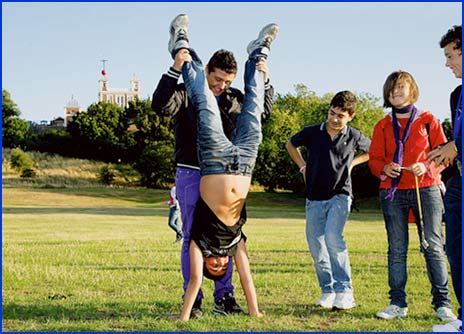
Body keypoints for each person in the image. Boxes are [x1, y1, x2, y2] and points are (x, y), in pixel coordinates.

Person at [151, 15, 275, 318]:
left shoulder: (234, 98)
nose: (221, 86)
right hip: (192, 171)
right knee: (193, 237)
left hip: (230, 170)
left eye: (227, 82)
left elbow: (262, 112)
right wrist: (175, 69)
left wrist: (264, 79)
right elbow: (159, 104)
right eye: (217, 79)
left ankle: (225, 297)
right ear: (206, 71)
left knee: (224, 242)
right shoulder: (187, 92)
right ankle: (192, 301)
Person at [368, 70, 456, 321]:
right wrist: (384, 168)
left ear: (412, 90)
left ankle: (442, 304)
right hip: (392, 192)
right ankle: (397, 303)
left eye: (402, 88)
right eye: (392, 89)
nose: (396, 92)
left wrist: (427, 167)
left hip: (426, 189)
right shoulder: (383, 125)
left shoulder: (428, 120)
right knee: (396, 249)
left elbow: (444, 155)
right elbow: (374, 160)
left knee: (433, 246)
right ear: (387, 93)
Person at [286, 91, 371, 310]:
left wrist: (353, 163)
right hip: (314, 196)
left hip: (340, 194)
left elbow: (373, 151)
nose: (334, 119)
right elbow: (290, 144)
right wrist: (302, 166)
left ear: (350, 116)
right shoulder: (313, 132)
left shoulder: (354, 136)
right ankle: (328, 290)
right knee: (317, 247)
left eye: (340, 116)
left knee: (333, 236)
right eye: (332, 113)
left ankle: (345, 291)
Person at [431, 25, 462, 333]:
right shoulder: (457, 95)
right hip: (457, 186)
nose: (447, 63)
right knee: (454, 249)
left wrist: (457, 144)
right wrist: (447, 151)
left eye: (451, 55)